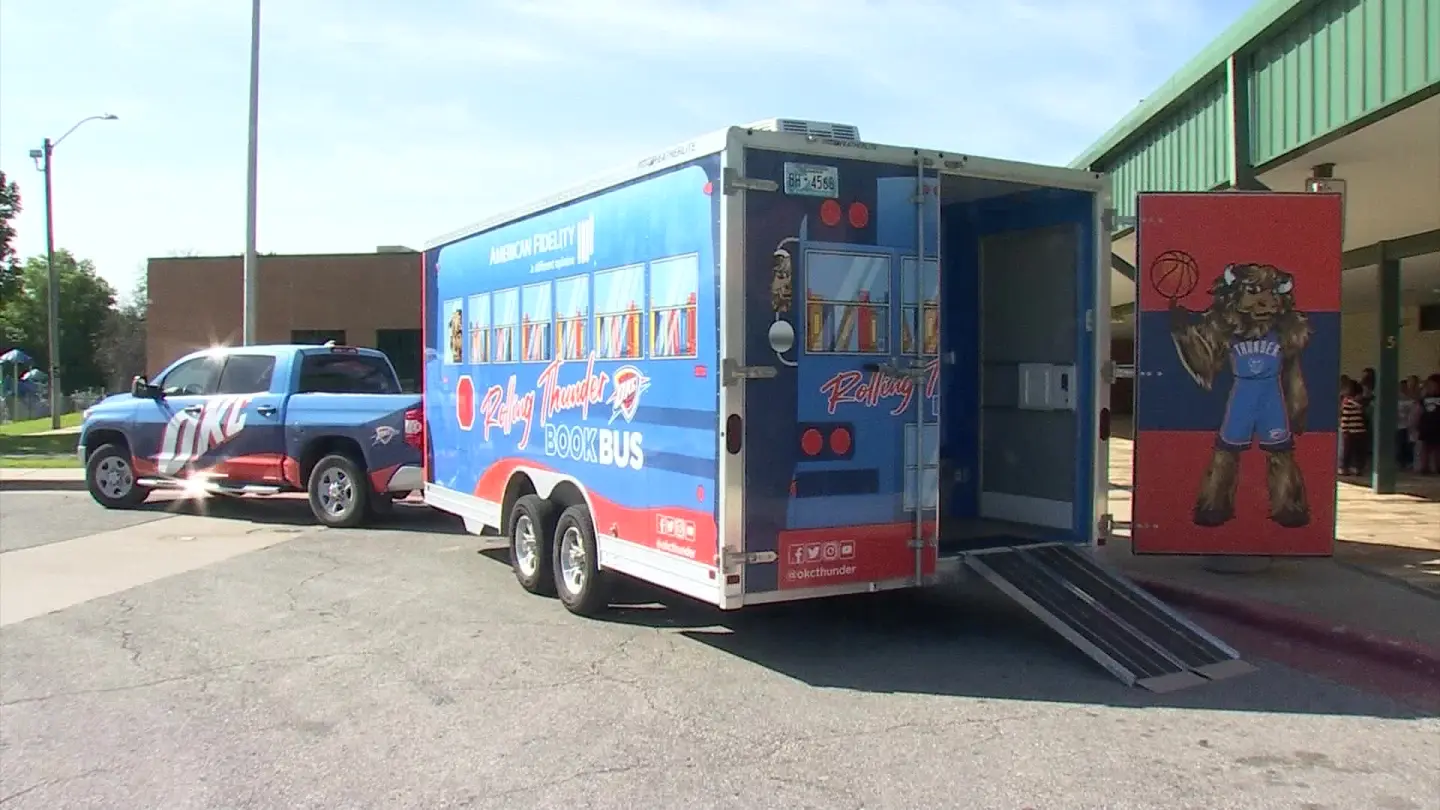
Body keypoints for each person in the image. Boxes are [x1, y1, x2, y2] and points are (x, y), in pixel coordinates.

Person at [1339, 378, 1369, 476]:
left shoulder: (1347, 403)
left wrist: (1344, 430)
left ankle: (1345, 468)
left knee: (1348, 451)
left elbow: (1345, 417)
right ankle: (1358, 468)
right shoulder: (1361, 404)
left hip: (1350, 432)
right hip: (1361, 431)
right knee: (1359, 452)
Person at [1416, 375, 1440, 475]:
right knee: (1425, 447)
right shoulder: (1424, 398)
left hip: (1438, 425)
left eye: (1433, 385)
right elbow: (1418, 410)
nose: (1430, 387)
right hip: (1426, 425)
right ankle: (1424, 467)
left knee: (1437, 448)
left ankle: (1438, 467)